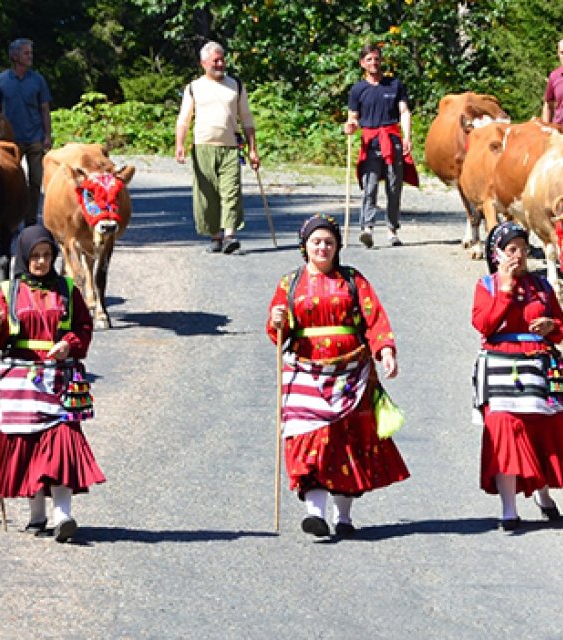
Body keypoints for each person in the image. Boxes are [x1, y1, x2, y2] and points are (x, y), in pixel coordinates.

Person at [267, 214, 410, 537]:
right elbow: (278, 334)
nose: (323, 247)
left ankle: (343, 518)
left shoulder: (353, 280)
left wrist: (386, 350)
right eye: (316, 242)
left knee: (347, 442)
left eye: (329, 242)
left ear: (337, 246)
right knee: (309, 437)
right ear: (304, 246)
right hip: (305, 371)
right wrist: (277, 320)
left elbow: (374, 318)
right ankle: (315, 514)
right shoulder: (290, 284)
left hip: (351, 372)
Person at [0, 225, 104, 543]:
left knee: (61, 442)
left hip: (58, 378)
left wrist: (68, 343)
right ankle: (37, 516)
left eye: (46, 255)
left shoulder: (68, 289)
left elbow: (83, 327)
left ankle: (63, 516)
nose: (41, 261)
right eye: (35, 256)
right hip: (19, 382)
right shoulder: (8, 291)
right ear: (24, 257)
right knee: (26, 447)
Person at [471, 221, 563, 531]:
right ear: (497, 253)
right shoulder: (486, 286)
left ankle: (543, 494)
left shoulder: (541, 287)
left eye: (523, 250)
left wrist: (551, 326)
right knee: (503, 431)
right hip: (500, 370)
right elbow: (484, 325)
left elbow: (560, 327)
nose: (518, 256)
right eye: (511, 250)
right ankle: (509, 509)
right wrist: (505, 290)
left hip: (537, 369)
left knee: (541, 431)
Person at [174, 41, 260, 255]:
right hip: (203, 147)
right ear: (204, 63)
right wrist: (179, 144)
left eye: (222, 60)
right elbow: (184, 119)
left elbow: (247, 119)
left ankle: (230, 236)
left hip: (231, 147)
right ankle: (215, 236)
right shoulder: (194, 88)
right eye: (215, 61)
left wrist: (252, 149)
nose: (220, 64)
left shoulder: (235, 85)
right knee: (207, 195)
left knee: (231, 192)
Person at [343, 44, 419, 249]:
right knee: (370, 186)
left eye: (376, 59)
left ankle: (392, 230)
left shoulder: (394, 85)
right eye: (369, 59)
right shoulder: (358, 89)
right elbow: (353, 117)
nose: (373, 63)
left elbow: (404, 112)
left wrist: (407, 137)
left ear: (381, 61)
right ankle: (367, 229)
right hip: (370, 141)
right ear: (362, 63)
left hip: (392, 140)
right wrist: (350, 126)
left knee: (394, 187)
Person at [0, 38, 53, 226]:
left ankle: (30, 221)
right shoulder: (1, 81)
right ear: (15, 56)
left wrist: (47, 135)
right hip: (10, 141)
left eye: (31, 53)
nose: (30, 56)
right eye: (26, 53)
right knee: (11, 182)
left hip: (35, 138)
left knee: (35, 182)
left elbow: (44, 109)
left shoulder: (38, 80)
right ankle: (10, 221)